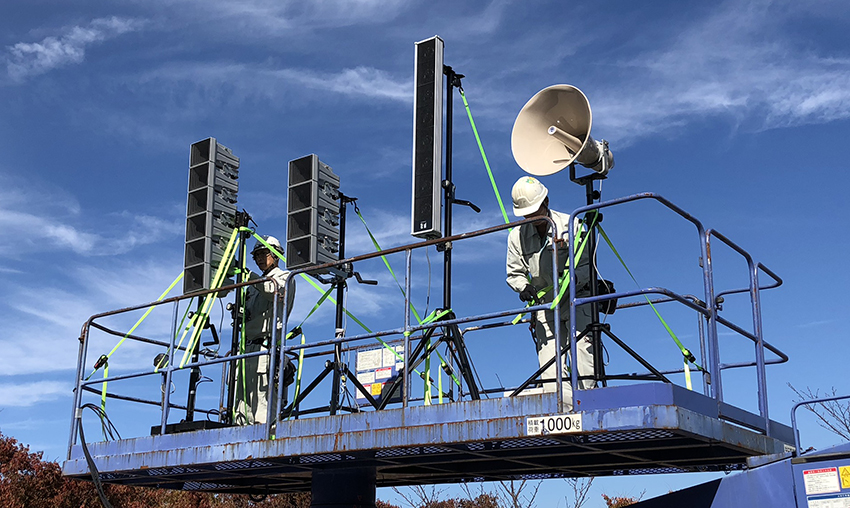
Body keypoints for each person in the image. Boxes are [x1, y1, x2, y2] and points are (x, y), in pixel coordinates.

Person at [506, 176, 596, 410]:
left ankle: (593, 409)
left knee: (585, 363)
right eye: (527, 215)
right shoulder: (516, 236)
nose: (532, 219)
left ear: (546, 201)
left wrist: (572, 280)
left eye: (535, 212)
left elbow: (587, 265)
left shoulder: (571, 225)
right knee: (550, 373)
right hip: (545, 306)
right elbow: (513, 272)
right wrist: (522, 287)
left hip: (577, 299)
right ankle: (567, 417)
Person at [234, 235, 296, 425]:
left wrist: (246, 274)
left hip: (265, 348)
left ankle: (265, 437)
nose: (260, 259)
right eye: (256, 256)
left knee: (262, 398)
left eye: (263, 254)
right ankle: (240, 433)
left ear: (276, 255)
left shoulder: (285, 277)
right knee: (241, 399)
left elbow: (272, 290)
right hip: (246, 348)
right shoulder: (253, 284)